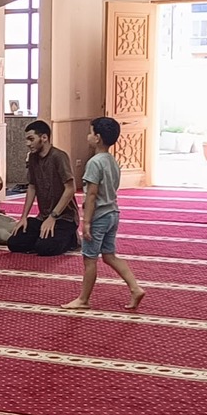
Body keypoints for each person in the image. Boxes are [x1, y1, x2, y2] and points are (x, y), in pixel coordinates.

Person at [63, 116, 145, 312]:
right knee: (109, 256)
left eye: (90, 132)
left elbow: (91, 195)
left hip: (99, 217)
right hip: (113, 213)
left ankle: (83, 299)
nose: (88, 136)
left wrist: (87, 223)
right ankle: (135, 288)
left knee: (90, 259)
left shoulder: (94, 163)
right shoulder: (112, 161)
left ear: (97, 137)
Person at [9, 120, 77, 257]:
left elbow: (71, 189)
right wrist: (24, 217)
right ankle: (42, 236)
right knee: (14, 243)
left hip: (64, 217)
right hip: (43, 217)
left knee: (45, 248)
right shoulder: (33, 158)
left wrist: (53, 216)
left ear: (44, 138)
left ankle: (71, 238)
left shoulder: (59, 156)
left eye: (31, 139)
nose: (28, 143)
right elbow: (32, 186)